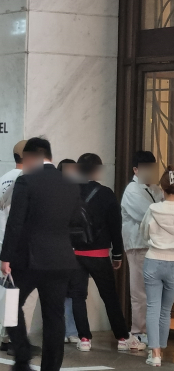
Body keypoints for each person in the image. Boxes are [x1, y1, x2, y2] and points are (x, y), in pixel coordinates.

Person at [0, 137, 81, 371]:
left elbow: (15, 223)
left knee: (10, 304)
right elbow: (76, 222)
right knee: (54, 318)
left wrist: (6, 257)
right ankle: (51, 368)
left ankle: (22, 354)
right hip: (62, 259)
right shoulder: (70, 183)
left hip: (29, 259)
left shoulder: (27, 181)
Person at [68, 153, 143, 352]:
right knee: (109, 296)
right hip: (99, 254)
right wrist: (117, 255)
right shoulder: (106, 194)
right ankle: (122, 338)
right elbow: (115, 227)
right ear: (96, 170)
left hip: (74, 253)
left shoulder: (68, 192)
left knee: (77, 296)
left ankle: (84, 338)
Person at [0, 141, 40, 353]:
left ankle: (6, 337)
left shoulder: (2, 180)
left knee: (10, 295)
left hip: (5, 244)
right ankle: (19, 342)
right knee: (25, 301)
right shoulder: (31, 181)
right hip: (23, 248)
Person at [122, 151, 164, 343]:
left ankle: (150, 330)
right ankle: (138, 331)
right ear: (136, 170)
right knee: (140, 291)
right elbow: (149, 217)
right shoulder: (132, 190)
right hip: (139, 246)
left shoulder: (156, 188)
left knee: (154, 291)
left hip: (157, 247)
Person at [140, 167, 174, 367]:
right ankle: (161, 347)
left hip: (153, 259)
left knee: (152, 307)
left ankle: (155, 354)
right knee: (165, 309)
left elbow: (144, 234)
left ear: (162, 188)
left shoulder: (153, 210)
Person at [58, 158, 79, 344]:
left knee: (71, 292)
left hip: (74, 250)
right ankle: (65, 330)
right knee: (64, 292)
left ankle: (70, 330)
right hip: (63, 249)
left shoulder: (77, 193)